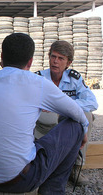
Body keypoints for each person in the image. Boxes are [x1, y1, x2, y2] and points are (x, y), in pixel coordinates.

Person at [0, 33, 89, 194]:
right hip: (18, 181)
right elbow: (76, 112)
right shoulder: (36, 82)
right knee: (76, 126)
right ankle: (53, 191)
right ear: (30, 61)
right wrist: (84, 131)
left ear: (1, 57)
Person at [34, 40, 98, 185]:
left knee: (87, 115)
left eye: (60, 58)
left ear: (68, 63)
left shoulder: (74, 79)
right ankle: (36, 165)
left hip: (65, 120)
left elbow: (92, 102)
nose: (55, 61)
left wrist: (64, 107)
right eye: (53, 57)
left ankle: (75, 168)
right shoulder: (38, 78)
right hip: (44, 124)